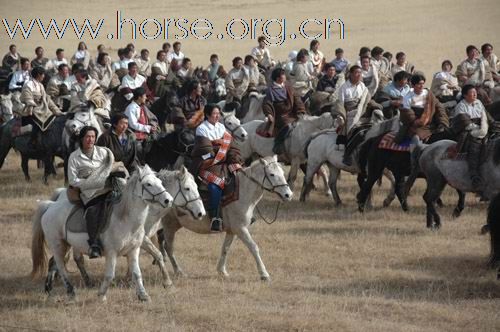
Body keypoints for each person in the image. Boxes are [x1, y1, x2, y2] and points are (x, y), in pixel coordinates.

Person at [190, 104, 242, 232]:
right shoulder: (201, 129)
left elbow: (230, 146)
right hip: (207, 164)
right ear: (207, 115)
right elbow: (206, 149)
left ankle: (239, 215)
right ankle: (215, 218)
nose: (217, 116)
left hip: (223, 162)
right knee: (215, 186)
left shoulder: (221, 127)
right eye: (214, 113)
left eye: (218, 113)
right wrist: (219, 146)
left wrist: (232, 159)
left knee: (239, 179)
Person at [67, 126, 116, 258]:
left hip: (108, 187)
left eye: (93, 137)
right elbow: (72, 180)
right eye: (88, 137)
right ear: (82, 138)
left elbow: (111, 165)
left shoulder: (103, 152)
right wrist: (90, 183)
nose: (90, 139)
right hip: (89, 193)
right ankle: (94, 244)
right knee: (93, 211)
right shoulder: (74, 157)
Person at [451, 84, 489, 190]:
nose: (475, 94)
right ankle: (474, 175)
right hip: (466, 131)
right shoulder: (461, 106)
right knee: (475, 146)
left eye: (475, 92)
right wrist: (479, 129)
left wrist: (493, 125)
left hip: (482, 128)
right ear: (465, 95)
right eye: (472, 93)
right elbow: (465, 123)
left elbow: (486, 117)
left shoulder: (479, 103)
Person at [395, 73, 449, 143]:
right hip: (416, 125)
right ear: (413, 85)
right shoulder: (407, 98)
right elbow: (408, 116)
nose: (421, 86)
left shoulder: (428, 94)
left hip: (432, 122)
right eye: (419, 84)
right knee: (417, 136)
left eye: (423, 84)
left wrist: (442, 122)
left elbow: (439, 107)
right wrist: (420, 121)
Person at [262, 67, 306, 154]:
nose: (285, 77)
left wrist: (300, 110)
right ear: (278, 78)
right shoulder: (270, 91)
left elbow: (296, 98)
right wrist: (269, 114)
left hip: (291, 113)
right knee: (288, 126)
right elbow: (266, 103)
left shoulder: (288, 87)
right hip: (280, 116)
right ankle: (278, 143)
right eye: (283, 76)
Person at [20, 66, 63, 145]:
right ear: (38, 75)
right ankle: (32, 140)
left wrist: (57, 111)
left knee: (53, 118)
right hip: (31, 109)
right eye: (43, 74)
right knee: (38, 123)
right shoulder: (28, 85)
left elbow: (47, 100)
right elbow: (26, 98)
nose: (44, 76)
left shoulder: (41, 85)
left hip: (42, 109)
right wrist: (33, 103)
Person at [124, 87, 158, 163]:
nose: (146, 98)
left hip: (143, 132)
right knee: (138, 149)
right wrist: (148, 128)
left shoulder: (142, 106)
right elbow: (133, 124)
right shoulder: (131, 108)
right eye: (144, 96)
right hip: (133, 134)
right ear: (139, 97)